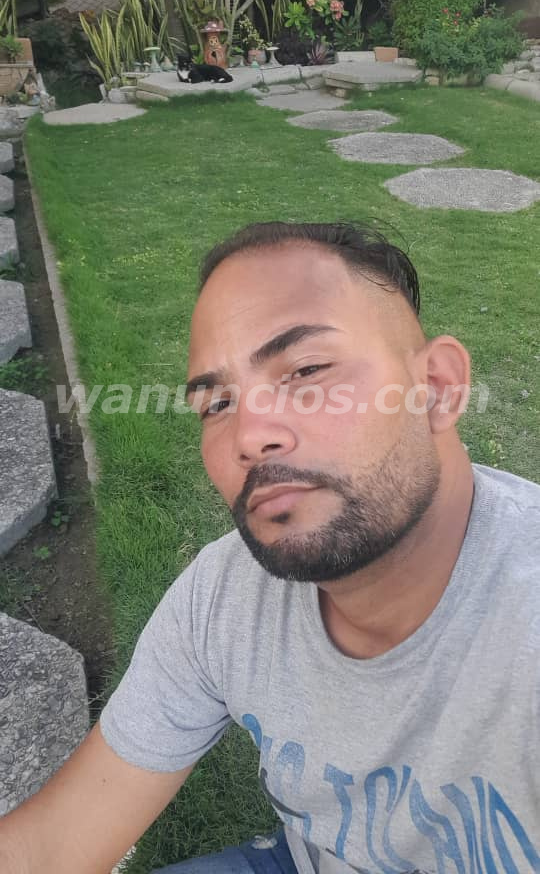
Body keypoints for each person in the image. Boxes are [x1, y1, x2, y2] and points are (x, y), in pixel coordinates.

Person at [1, 222, 539, 874]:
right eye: (217, 404)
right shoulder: (224, 599)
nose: (249, 437)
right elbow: (55, 844)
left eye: (306, 370)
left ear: (439, 388)